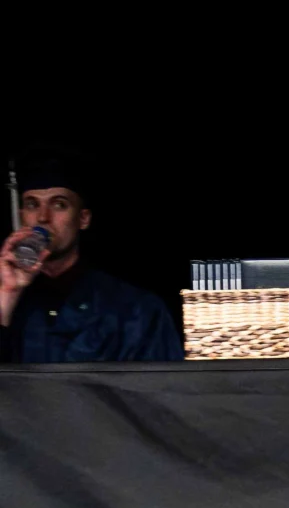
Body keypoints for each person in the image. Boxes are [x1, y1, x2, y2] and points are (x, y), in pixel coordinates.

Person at [1, 152, 184, 363]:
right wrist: (7, 293)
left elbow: (162, 390)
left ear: (83, 219)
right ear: (22, 215)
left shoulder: (134, 309)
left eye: (59, 204)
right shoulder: (11, 301)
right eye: (32, 204)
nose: (43, 217)